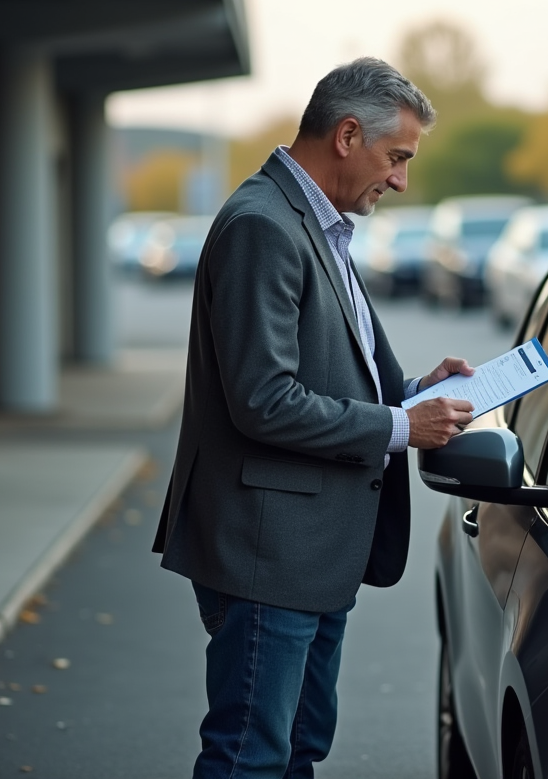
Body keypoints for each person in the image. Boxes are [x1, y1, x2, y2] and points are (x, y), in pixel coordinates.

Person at [151, 57, 475, 779]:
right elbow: (264, 400)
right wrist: (401, 429)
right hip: (271, 552)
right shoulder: (263, 225)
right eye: (397, 159)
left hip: (311, 552)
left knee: (294, 750)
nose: (401, 180)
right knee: (251, 755)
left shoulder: (313, 223)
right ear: (348, 135)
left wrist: (420, 392)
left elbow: (334, 372)